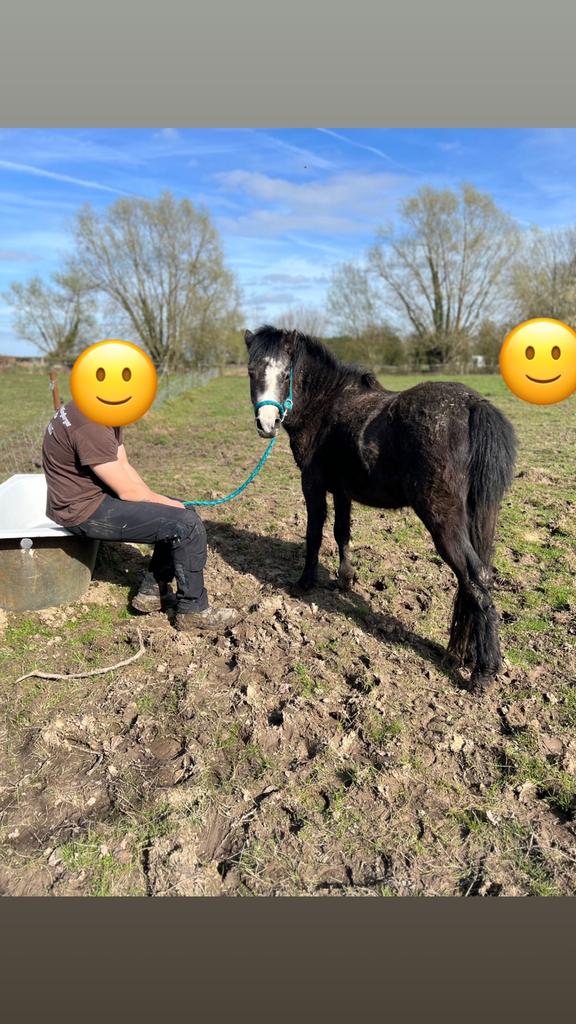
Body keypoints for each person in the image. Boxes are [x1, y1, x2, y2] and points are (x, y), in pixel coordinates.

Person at [41, 400, 239, 631]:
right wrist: (165, 504)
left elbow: (122, 464)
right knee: (186, 525)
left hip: (90, 497)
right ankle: (193, 611)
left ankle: (154, 591)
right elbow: (128, 492)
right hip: (83, 510)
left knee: (178, 514)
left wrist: (157, 499)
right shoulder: (91, 425)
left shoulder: (102, 406)